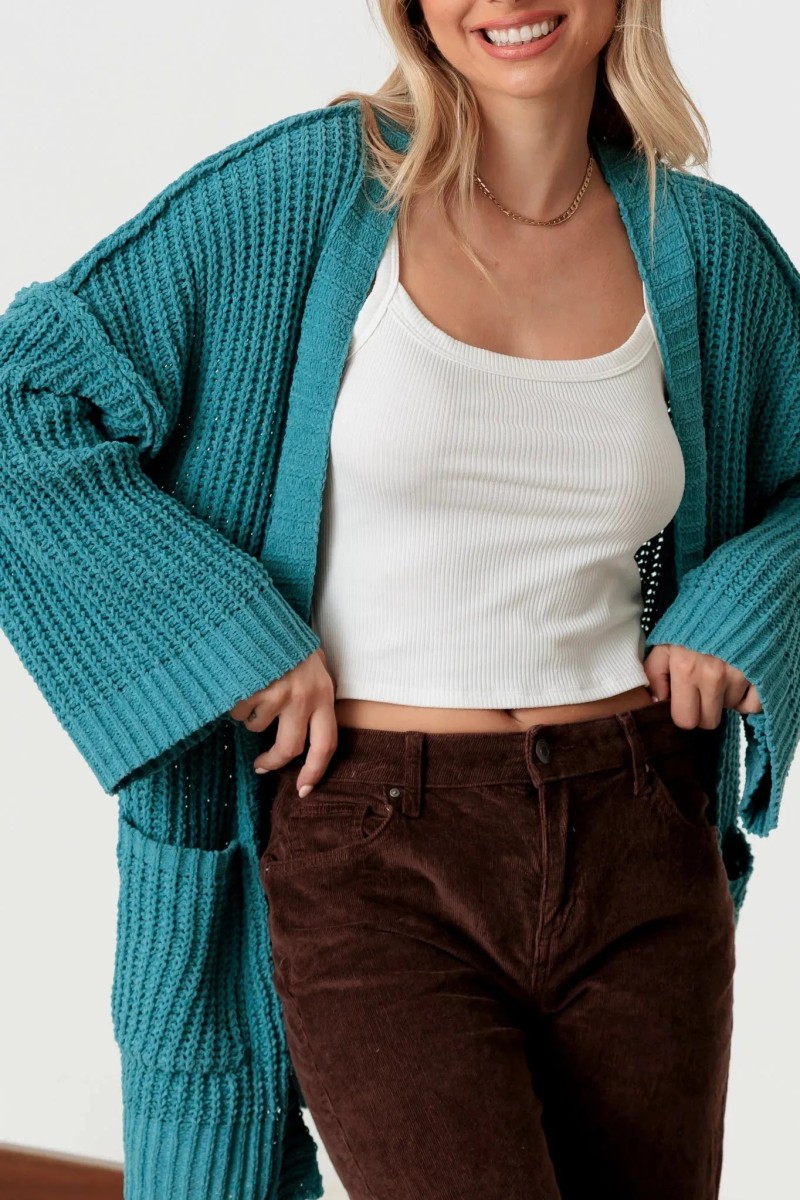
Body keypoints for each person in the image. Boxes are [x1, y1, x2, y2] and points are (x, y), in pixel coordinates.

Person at [1, 2, 798, 1198]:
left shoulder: (701, 245)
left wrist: (745, 599)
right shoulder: (311, 193)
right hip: (372, 843)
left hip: (639, 830)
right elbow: (25, 397)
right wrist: (226, 635)